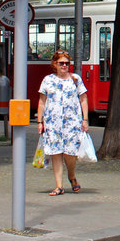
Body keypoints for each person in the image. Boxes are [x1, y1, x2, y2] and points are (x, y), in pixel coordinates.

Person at [36, 51, 89, 196]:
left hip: (72, 122)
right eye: (61, 63)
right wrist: (40, 121)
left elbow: (83, 99)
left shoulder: (75, 79)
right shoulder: (48, 80)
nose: (64, 66)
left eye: (67, 63)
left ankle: (71, 175)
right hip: (53, 123)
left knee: (70, 154)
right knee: (56, 153)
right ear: (55, 64)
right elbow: (42, 102)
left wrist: (85, 119)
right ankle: (59, 186)